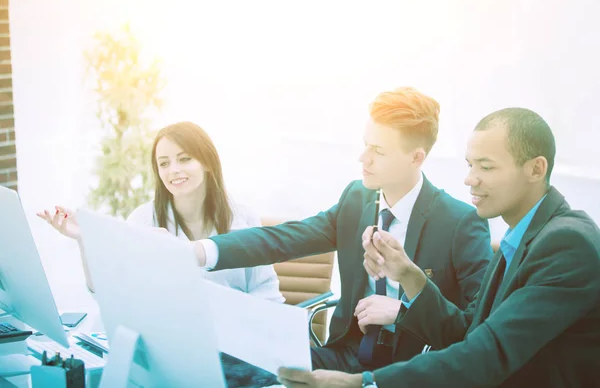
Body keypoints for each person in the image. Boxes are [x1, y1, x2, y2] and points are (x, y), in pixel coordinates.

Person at [278, 108, 600, 387]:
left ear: (536, 169)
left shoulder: (567, 245)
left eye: (486, 167)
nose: (470, 180)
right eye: (470, 166)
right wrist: (408, 274)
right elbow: (464, 332)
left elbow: (488, 353)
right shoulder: (520, 239)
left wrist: (361, 384)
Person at [191, 87, 493, 372]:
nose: (363, 158)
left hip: (412, 368)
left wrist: (403, 311)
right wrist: (201, 251)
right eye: (365, 145)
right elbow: (284, 239)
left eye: (378, 150)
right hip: (345, 354)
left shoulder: (461, 223)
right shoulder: (356, 199)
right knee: (232, 365)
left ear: (416, 157)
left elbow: (473, 328)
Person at [37, 121, 284, 302]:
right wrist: (84, 239)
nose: (173, 170)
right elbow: (109, 294)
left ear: (207, 162)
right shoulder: (144, 220)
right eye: (164, 163)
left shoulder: (244, 218)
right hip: (174, 345)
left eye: (184, 159)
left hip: (237, 347)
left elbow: (268, 295)